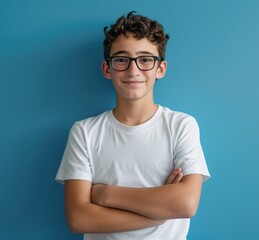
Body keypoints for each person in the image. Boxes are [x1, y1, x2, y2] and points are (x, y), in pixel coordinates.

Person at [55, 11, 210, 240]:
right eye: (121, 59)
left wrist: (106, 194)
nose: (133, 70)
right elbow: (79, 218)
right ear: (108, 69)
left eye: (145, 59)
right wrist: (158, 215)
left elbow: (186, 203)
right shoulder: (84, 132)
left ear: (161, 69)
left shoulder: (181, 126)